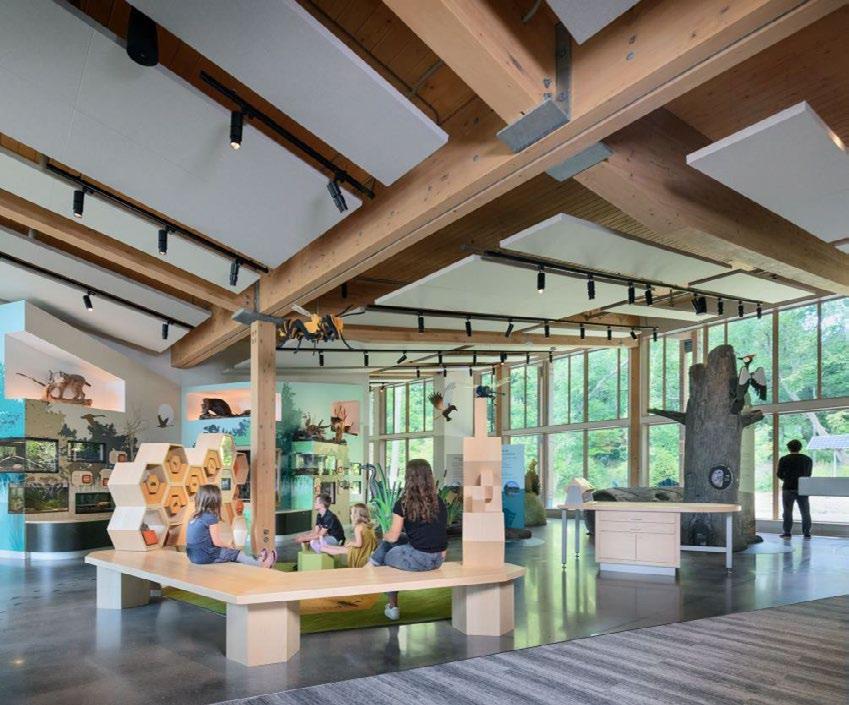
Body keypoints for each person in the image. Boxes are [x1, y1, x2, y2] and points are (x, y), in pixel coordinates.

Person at [369, 458, 448, 621]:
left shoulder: (403, 503)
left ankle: (392, 607)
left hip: (418, 560)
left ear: (408, 478)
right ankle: (371, 563)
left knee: (387, 550)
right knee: (400, 540)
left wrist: (382, 535)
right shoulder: (439, 501)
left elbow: (392, 536)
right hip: (438, 559)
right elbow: (441, 532)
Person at [186, 484, 276, 567]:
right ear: (215, 500)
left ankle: (258, 558)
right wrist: (228, 546)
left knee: (229, 554)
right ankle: (262, 563)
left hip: (192, 555)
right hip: (204, 556)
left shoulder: (195, 516)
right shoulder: (210, 517)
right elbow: (217, 542)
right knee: (236, 553)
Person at [319, 502, 379, 568]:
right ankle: (326, 546)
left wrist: (351, 543)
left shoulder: (358, 527)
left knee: (341, 550)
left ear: (356, 515)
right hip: (366, 550)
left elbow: (359, 544)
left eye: (351, 513)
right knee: (343, 548)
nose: (351, 515)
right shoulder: (368, 526)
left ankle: (322, 548)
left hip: (360, 551)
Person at [777, 439, 813, 539]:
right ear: (800, 448)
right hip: (803, 488)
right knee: (805, 511)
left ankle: (787, 533)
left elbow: (779, 474)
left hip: (788, 488)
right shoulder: (807, 459)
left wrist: (786, 479)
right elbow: (809, 474)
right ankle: (806, 533)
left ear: (789, 448)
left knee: (787, 511)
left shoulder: (784, 459)